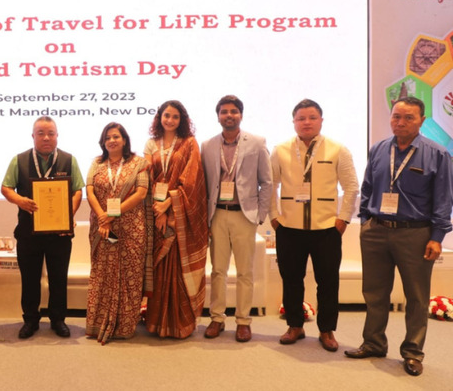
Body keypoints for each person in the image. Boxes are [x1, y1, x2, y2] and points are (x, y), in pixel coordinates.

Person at [345, 97, 452, 377]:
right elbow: (368, 186)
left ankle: (413, 352)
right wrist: (366, 220)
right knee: (374, 292)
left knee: (416, 296)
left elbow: (444, 199)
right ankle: (373, 343)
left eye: (408, 118)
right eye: (396, 116)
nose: (400, 123)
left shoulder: (437, 154)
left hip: (415, 234)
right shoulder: (379, 149)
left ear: (422, 121)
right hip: (377, 231)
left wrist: (437, 236)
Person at [269, 99, 358, 351]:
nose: (306, 122)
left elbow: (351, 187)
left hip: (326, 229)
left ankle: (326, 330)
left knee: (328, 281)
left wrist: (343, 219)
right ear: (294, 122)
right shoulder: (280, 150)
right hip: (289, 228)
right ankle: (294, 325)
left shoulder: (338, 149)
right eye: (301, 118)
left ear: (321, 120)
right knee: (291, 279)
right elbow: (270, 185)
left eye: (312, 117)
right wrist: (274, 216)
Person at [1, 116, 84, 339]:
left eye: (50, 133)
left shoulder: (69, 160)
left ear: (57, 136)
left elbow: (78, 191)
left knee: (59, 278)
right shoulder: (19, 160)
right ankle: (30, 320)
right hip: (28, 233)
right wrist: (20, 201)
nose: (46, 138)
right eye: (41, 133)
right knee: (30, 279)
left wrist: (68, 214)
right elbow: (6, 188)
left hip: (60, 233)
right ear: (33, 136)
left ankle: (58, 320)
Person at [202, 96, 272, 342]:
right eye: (224, 112)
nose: (228, 115)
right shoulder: (207, 145)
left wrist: (260, 215)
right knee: (218, 271)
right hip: (218, 215)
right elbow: (204, 183)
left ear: (241, 115)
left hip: (244, 215)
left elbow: (267, 182)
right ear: (218, 116)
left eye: (233, 111)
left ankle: (243, 321)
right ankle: (217, 318)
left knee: (245, 272)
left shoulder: (257, 143)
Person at [143, 101, 209, 339]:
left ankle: (180, 323)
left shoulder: (189, 143)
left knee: (177, 269)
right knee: (160, 270)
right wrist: (158, 211)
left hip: (179, 215)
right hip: (156, 212)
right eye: (166, 115)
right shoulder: (151, 143)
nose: (170, 120)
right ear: (159, 117)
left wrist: (169, 204)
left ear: (182, 120)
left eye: (175, 117)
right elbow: (147, 177)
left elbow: (191, 181)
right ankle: (156, 322)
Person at [85, 122, 149, 344]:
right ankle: (97, 324)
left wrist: (112, 214)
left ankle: (124, 326)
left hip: (131, 228)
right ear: (103, 142)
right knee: (102, 275)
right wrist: (103, 217)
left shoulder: (139, 163)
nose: (111, 141)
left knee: (130, 275)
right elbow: (90, 191)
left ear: (124, 140)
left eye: (116, 137)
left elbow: (141, 193)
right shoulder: (96, 163)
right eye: (108, 138)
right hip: (102, 228)